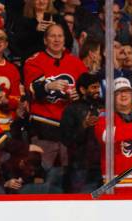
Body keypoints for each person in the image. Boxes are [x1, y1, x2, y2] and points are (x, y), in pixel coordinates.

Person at [23, 23, 88, 191]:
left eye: (60, 36)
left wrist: (80, 95)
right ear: (45, 40)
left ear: (65, 39)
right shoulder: (34, 61)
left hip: (70, 129)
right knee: (46, 180)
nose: (57, 39)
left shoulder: (76, 63)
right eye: (52, 36)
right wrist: (47, 86)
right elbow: (31, 90)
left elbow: (88, 91)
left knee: (70, 180)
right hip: (44, 128)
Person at [60, 72, 102, 193]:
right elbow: (66, 139)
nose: (97, 90)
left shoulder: (104, 106)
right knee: (82, 201)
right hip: (80, 165)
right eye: (93, 87)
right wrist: (84, 126)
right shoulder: (71, 109)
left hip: (102, 163)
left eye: (98, 87)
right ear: (83, 90)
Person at [0, 29, 21, 133]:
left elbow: (16, 99)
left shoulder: (12, 69)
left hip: (6, 126)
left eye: (1, 39)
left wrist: (6, 101)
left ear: (6, 44)